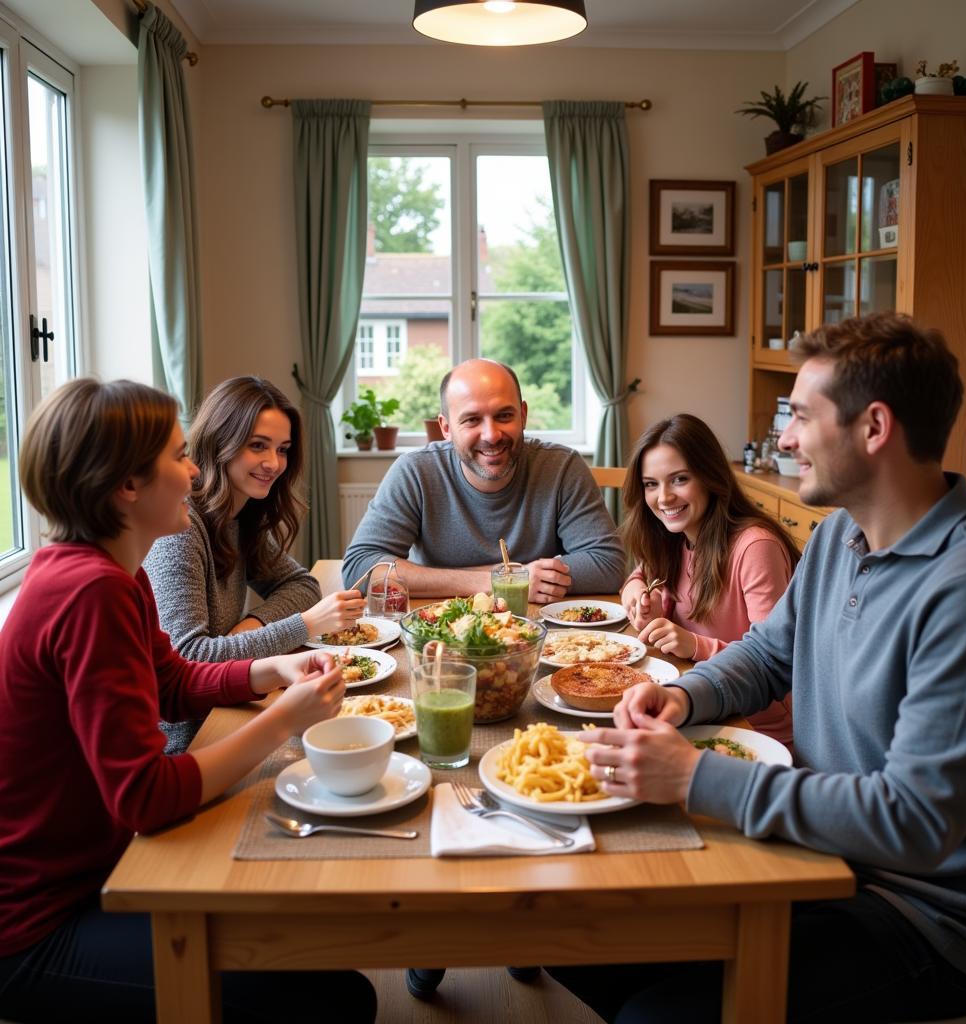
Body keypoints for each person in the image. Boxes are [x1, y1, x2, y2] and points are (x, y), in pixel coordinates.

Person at [550, 312, 966, 1022]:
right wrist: (682, 696)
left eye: (801, 416)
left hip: (924, 917)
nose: (785, 438)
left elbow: (916, 823)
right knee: (572, 928)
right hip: (818, 855)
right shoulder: (840, 538)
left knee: (655, 1013)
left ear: (874, 427)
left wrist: (693, 776)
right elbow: (770, 654)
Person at [0, 379, 376, 1023]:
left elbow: (172, 683)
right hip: (36, 925)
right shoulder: (92, 592)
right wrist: (285, 716)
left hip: (93, 873)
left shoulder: (113, 568)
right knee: (335, 1001)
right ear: (127, 486)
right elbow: (145, 795)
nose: (195, 469)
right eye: (179, 456)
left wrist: (268, 668)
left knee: (308, 957)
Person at [144, 376, 364, 753]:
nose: (274, 463)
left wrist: (251, 625)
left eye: (283, 449)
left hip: (231, 706)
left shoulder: (239, 515)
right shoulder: (181, 529)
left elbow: (302, 585)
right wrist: (305, 624)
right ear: (220, 442)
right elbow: (189, 659)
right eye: (257, 446)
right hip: (191, 737)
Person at [341, 358, 625, 602]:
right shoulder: (415, 471)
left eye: (504, 415)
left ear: (523, 415)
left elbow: (608, 564)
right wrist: (502, 580)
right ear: (446, 428)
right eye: (472, 420)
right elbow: (360, 569)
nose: (491, 435)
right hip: (439, 632)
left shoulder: (562, 467)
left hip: (540, 633)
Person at [619, 414, 799, 745]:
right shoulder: (672, 536)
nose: (663, 498)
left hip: (755, 728)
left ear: (709, 476)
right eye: (651, 484)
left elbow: (777, 662)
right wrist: (637, 592)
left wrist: (695, 645)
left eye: (679, 479)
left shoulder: (755, 547)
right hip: (692, 704)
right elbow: (639, 574)